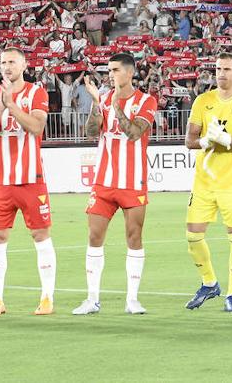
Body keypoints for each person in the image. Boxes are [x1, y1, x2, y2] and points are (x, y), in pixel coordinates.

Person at [72, 53, 157, 316]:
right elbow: (90, 131)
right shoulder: (104, 99)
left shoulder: (146, 101)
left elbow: (133, 133)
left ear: (129, 73)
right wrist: (97, 105)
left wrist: (115, 104)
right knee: (94, 236)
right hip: (104, 181)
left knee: (134, 237)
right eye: (109, 70)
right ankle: (92, 299)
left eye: (115, 70)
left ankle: (132, 299)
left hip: (132, 182)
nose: (110, 74)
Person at [0, 47, 55, 316]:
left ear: (24, 65)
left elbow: (37, 127)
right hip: (2, 181)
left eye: (12, 62)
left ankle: (47, 297)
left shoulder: (36, 93)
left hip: (32, 179)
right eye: (2, 62)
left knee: (40, 235)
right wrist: (1, 108)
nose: (6, 66)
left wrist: (12, 106)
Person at [183, 52, 232, 312]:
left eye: (227, 69)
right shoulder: (202, 101)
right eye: (218, 69)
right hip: (204, 182)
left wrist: (227, 140)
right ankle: (209, 283)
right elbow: (189, 140)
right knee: (193, 235)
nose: (221, 74)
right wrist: (206, 140)